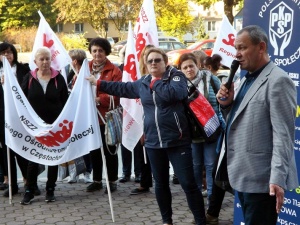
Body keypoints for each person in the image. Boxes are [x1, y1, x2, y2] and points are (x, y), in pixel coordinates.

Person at [87, 47, 206, 225]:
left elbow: (175, 94)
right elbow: (124, 88)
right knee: (161, 184)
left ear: (165, 62)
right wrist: (99, 84)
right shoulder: (143, 82)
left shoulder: (176, 77)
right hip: (153, 142)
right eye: (149, 61)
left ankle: (200, 220)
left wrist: (155, 82)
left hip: (177, 141)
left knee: (188, 184)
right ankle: (167, 221)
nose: (153, 63)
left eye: (157, 60)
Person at [217, 25, 298, 225]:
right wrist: (226, 105)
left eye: (242, 48)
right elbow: (239, 121)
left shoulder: (278, 80)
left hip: (263, 182)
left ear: (261, 47)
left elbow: (283, 136)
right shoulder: (246, 78)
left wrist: (277, 179)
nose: (237, 54)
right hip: (242, 174)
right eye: (236, 48)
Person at [20, 47, 69, 205]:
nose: (45, 62)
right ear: (35, 62)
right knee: (33, 160)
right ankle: (29, 190)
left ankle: (50, 189)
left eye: (48, 58)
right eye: (41, 59)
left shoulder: (58, 78)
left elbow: (65, 102)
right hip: (34, 127)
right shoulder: (28, 77)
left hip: (54, 126)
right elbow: (19, 99)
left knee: (53, 159)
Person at [178, 53, 221, 204]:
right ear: (181, 70)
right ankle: (196, 200)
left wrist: (221, 122)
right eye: (185, 67)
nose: (189, 69)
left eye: (191, 66)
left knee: (210, 165)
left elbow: (222, 101)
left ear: (197, 65)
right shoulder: (179, 84)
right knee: (195, 166)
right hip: (192, 133)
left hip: (211, 130)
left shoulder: (210, 79)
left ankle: (211, 200)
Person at [85, 37, 122, 194]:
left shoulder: (114, 71)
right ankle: (97, 180)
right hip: (91, 117)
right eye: (94, 50)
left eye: (100, 50)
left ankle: (112, 180)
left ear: (106, 51)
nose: (97, 53)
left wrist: (100, 99)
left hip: (107, 118)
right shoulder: (85, 68)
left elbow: (118, 93)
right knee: (94, 150)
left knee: (109, 150)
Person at [0, 42, 32, 197]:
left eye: (9, 52)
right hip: (2, 116)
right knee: (7, 151)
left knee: (22, 149)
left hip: (20, 117)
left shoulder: (24, 69)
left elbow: (29, 90)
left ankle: (28, 181)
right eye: (3, 53)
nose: (7, 56)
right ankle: (12, 183)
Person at [129, 44, 154, 195]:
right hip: (139, 118)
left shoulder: (159, 75)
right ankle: (144, 182)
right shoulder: (137, 77)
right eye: (146, 55)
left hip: (154, 122)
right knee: (141, 151)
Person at [66, 49, 93, 184]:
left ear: (75, 61)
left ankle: (88, 171)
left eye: (70, 59)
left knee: (84, 145)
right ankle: (74, 172)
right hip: (72, 116)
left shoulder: (85, 75)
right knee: (73, 145)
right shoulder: (72, 74)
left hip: (83, 116)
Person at [117, 44, 142, 183]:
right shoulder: (121, 70)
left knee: (138, 143)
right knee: (125, 141)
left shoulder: (141, 70)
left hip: (138, 109)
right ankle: (126, 172)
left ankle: (138, 172)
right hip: (124, 109)